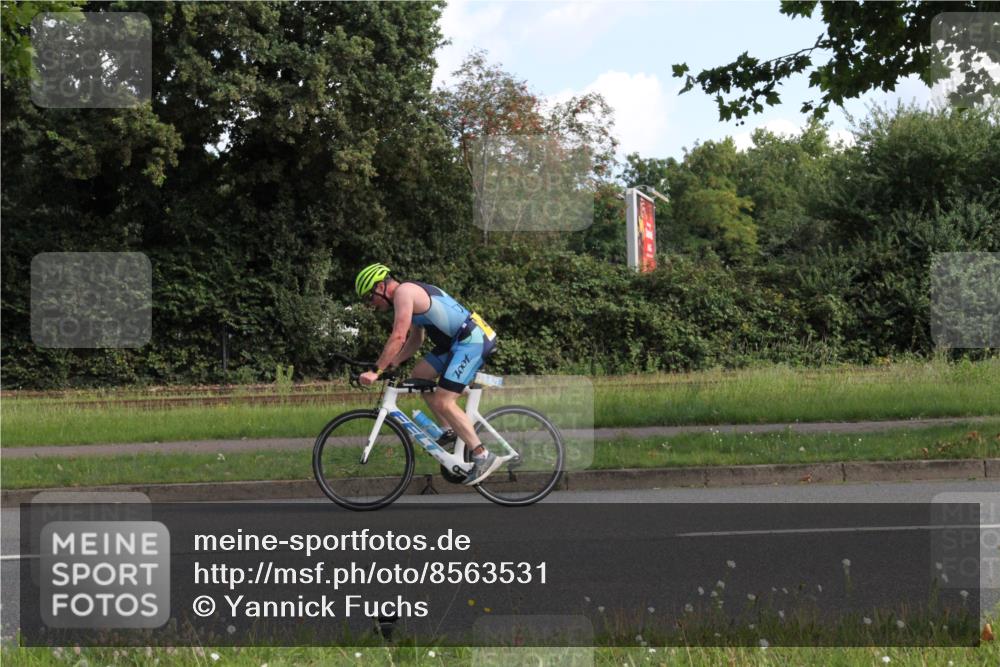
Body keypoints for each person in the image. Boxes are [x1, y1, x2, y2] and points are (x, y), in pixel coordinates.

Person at [354, 263, 509, 485]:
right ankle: (449, 430)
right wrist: (395, 361)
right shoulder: (409, 293)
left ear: (380, 287)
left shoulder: (404, 293)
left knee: (444, 401)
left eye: (369, 298)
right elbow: (416, 339)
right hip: (456, 343)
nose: (371, 305)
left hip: (471, 340)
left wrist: (376, 370)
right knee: (419, 376)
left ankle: (482, 455)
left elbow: (398, 336)